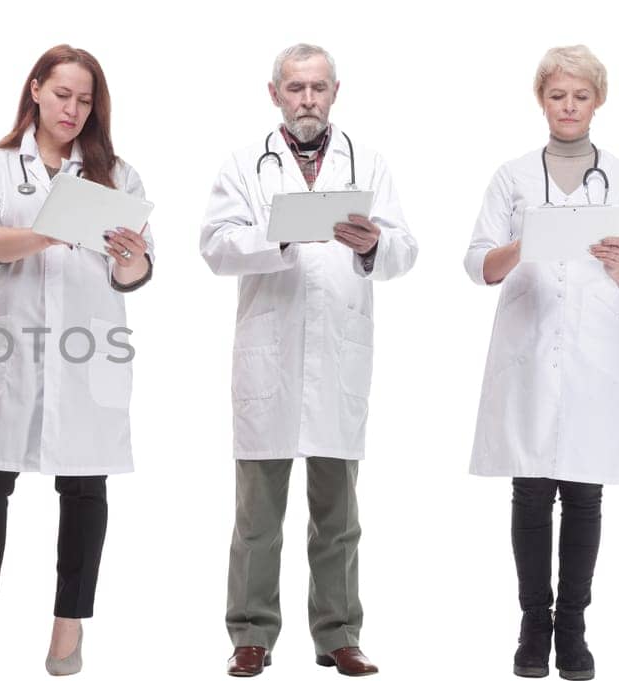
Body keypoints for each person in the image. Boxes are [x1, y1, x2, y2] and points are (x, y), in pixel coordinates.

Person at [199, 43, 417, 678]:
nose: (307, 100)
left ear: (335, 92)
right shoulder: (245, 164)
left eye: (318, 88)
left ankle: (339, 634)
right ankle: (251, 634)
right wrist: (281, 232)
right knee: (257, 521)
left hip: (338, 359)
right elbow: (214, 246)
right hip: (269, 359)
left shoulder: (367, 162)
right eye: (295, 88)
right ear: (274, 95)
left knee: (339, 519)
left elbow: (405, 250)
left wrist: (375, 243)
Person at [0, 45, 152, 678]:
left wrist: (127, 254)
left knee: (85, 488)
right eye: (62, 94)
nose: (73, 108)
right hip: (9, 352)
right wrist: (48, 231)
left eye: (85, 100)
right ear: (35, 90)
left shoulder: (116, 174)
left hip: (88, 355)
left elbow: (137, 273)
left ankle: (68, 630)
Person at [463, 45, 619, 681]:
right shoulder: (512, 176)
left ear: (597, 101)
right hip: (526, 346)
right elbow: (479, 265)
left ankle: (571, 627)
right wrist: (525, 242)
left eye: (579, 96)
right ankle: (531, 625)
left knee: (584, 493)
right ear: (540, 100)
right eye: (556, 96)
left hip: (594, 353)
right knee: (530, 490)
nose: (568, 107)